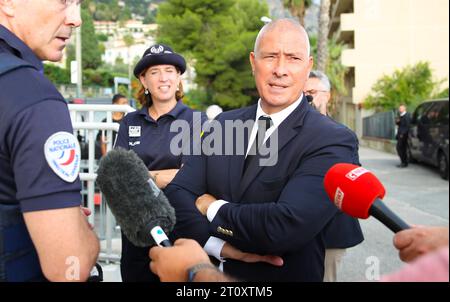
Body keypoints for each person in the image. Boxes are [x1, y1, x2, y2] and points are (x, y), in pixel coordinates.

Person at [163, 19, 362, 282]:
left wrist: (211, 207)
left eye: (292, 58)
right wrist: (219, 246)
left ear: (308, 66)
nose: (280, 70)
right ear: (253, 62)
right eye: (270, 57)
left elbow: (285, 226)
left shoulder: (333, 139)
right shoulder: (223, 125)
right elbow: (176, 196)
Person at [0, 0, 99, 281]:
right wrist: (79, 229)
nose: (76, 19)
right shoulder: (34, 99)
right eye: (64, 1)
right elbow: (69, 267)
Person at [114, 43, 207, 282]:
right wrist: (162, 176)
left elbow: (192, 177)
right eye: (154, 72)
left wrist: (141, 176)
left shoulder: (197, 120)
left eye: (169, 70)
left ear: (178, 78)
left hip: (182, 227)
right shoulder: (129, 121)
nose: (163, 78)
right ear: (144, 81)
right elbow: (117, 177)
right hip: (136, 228)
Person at [304, 70, 363, 282]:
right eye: (301, 93)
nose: (306, 98)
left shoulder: (343, 135)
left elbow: (350, 181)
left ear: (327, 95)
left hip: (331, 233)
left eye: (311, 91)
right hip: (290, 232)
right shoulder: (283, 132)